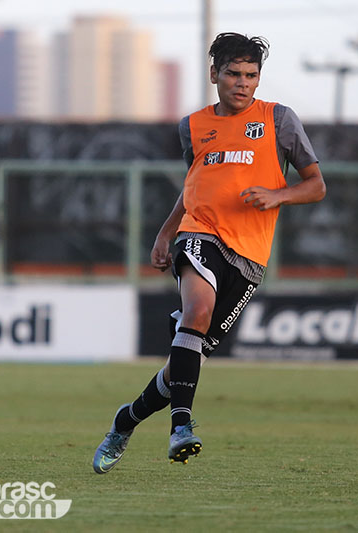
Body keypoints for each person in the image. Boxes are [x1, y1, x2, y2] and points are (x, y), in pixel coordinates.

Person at [92, 32, 326, 473]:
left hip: (250, 255)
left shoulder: (280, 120)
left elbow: (316, 185)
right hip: (199, 234)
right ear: (214, 73)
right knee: (197, 314)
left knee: (183, 361)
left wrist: (279, 196)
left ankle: (125, 421)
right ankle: (182, 427)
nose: (242, 83)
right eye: (234, 74)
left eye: (251, 75)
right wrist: (166, 232)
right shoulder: (193, 126)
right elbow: (194, 186)